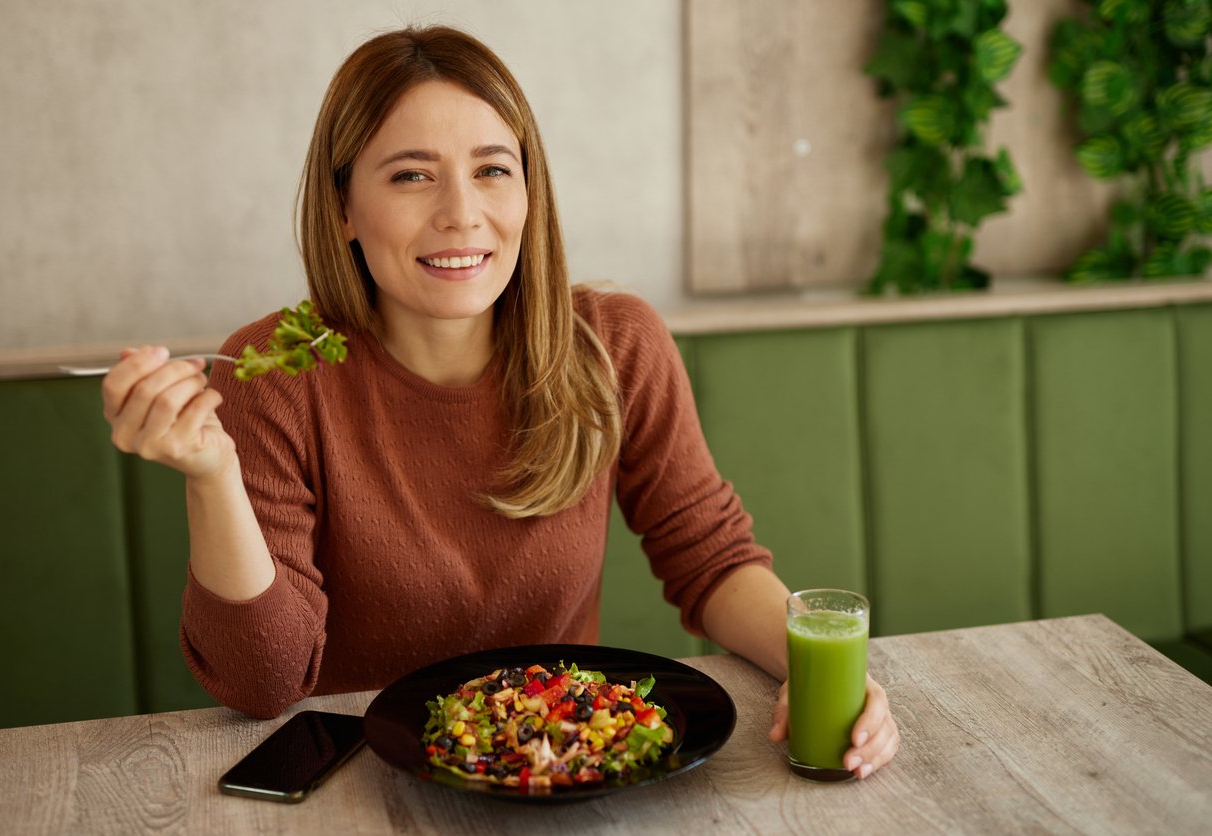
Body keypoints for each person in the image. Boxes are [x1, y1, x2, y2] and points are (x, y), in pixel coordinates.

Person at [101, 25, 898, 779]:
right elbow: (262, 681)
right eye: (411, 175)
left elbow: (710, 560)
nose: (461, 213)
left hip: (563, 773)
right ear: (343, 206)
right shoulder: (269, 372)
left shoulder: (614, 344)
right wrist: (212, 476)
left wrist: (820, 667)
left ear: (528, 191)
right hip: (364, 785)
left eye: (492, 169)